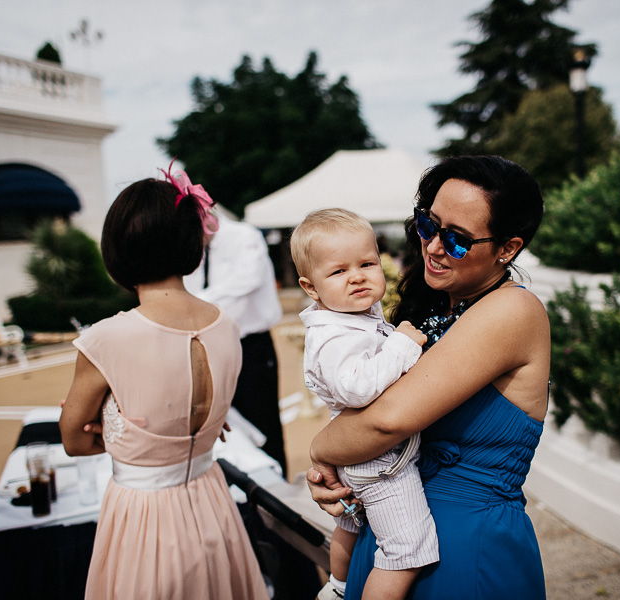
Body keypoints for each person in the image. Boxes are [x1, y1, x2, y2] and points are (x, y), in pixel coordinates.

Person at [306, 155, 550, 599]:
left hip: (461, 551)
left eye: (457, 240)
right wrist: (346, 472)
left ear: (508, 249)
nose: (435, 247)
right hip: (393, 534)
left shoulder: (512, 310)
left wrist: (322, 448)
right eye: (428, 225)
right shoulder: (436, 306)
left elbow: (387, 421)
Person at [59, 167, 268, 599]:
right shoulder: (225, 325)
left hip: (145, 515)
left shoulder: (105, 338)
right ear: (193, 243)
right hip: (213, 499)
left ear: (117, 250)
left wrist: (125, 438)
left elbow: (74, 440)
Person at [291, 209, 438, 600]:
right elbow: (358, 388)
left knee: (352, 525)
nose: (356, 276)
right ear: (311, 287)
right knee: (406, 551)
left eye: (367, 264)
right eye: (338, 272)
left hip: (361, 457)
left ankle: (337, 587)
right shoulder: (336, 335)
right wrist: (403, 344)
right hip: (379, 462)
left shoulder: (350, 318)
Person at [184, 215, 287, 475]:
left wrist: (188, 306)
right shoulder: (197, 248)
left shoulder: (244, 237)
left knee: (262, 420)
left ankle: (276, 490)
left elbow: (243, 285)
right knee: (229, 422)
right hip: (211, 346)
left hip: (250, 346)